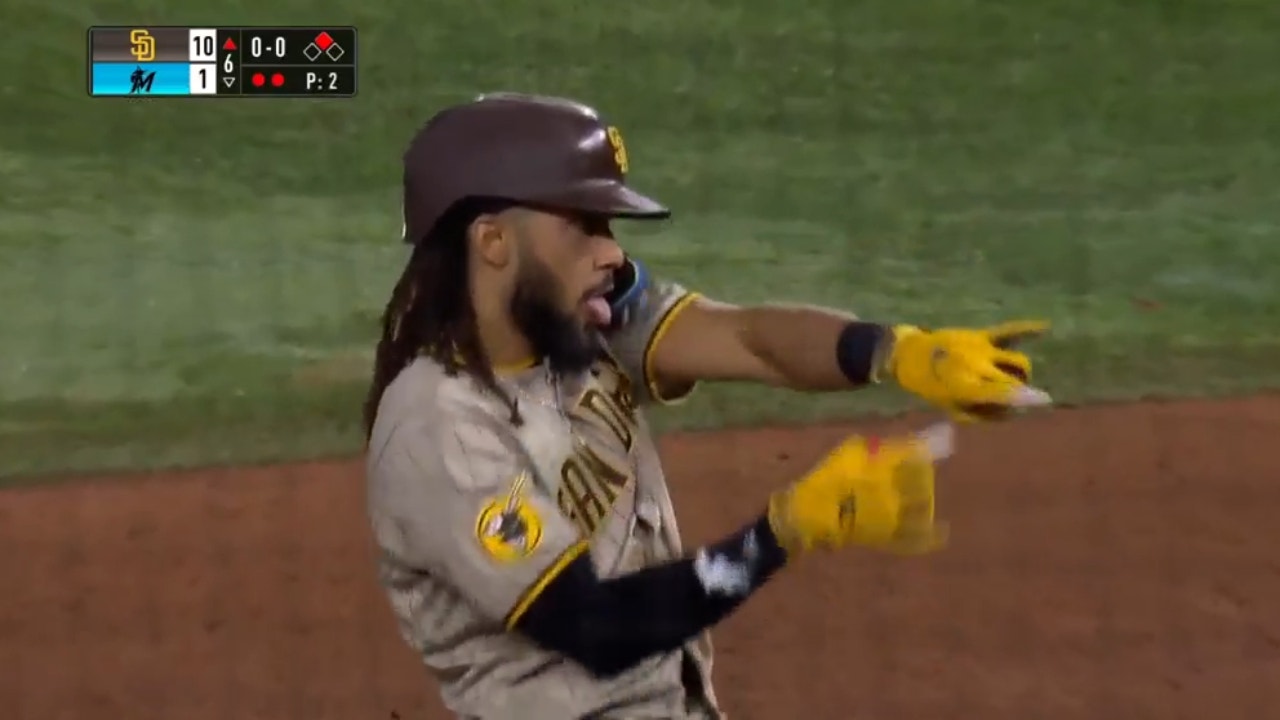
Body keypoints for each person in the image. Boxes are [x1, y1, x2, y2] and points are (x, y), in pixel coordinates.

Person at [363, 92, 1051, 720]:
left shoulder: (576, 322)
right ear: (492, 242)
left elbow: (749, 339)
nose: (611, 250)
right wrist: (785, 531)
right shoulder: (437, 427)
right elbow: (594, 628)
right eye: (584, 224)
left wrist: (896, 352)